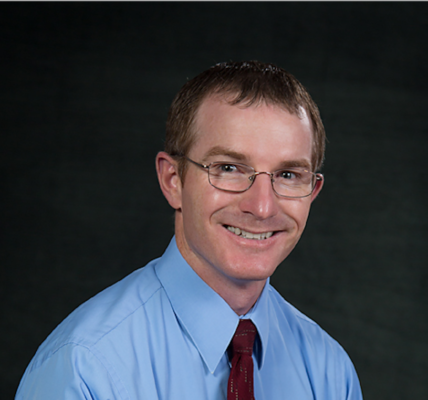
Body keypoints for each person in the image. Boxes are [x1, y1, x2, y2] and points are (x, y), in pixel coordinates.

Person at [16, 61, 363, 399]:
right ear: (173, 181)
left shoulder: (330, 373)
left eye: (288, 175)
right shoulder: (86, 367)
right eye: (229, 168)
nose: (262, 207)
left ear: (313, 191)